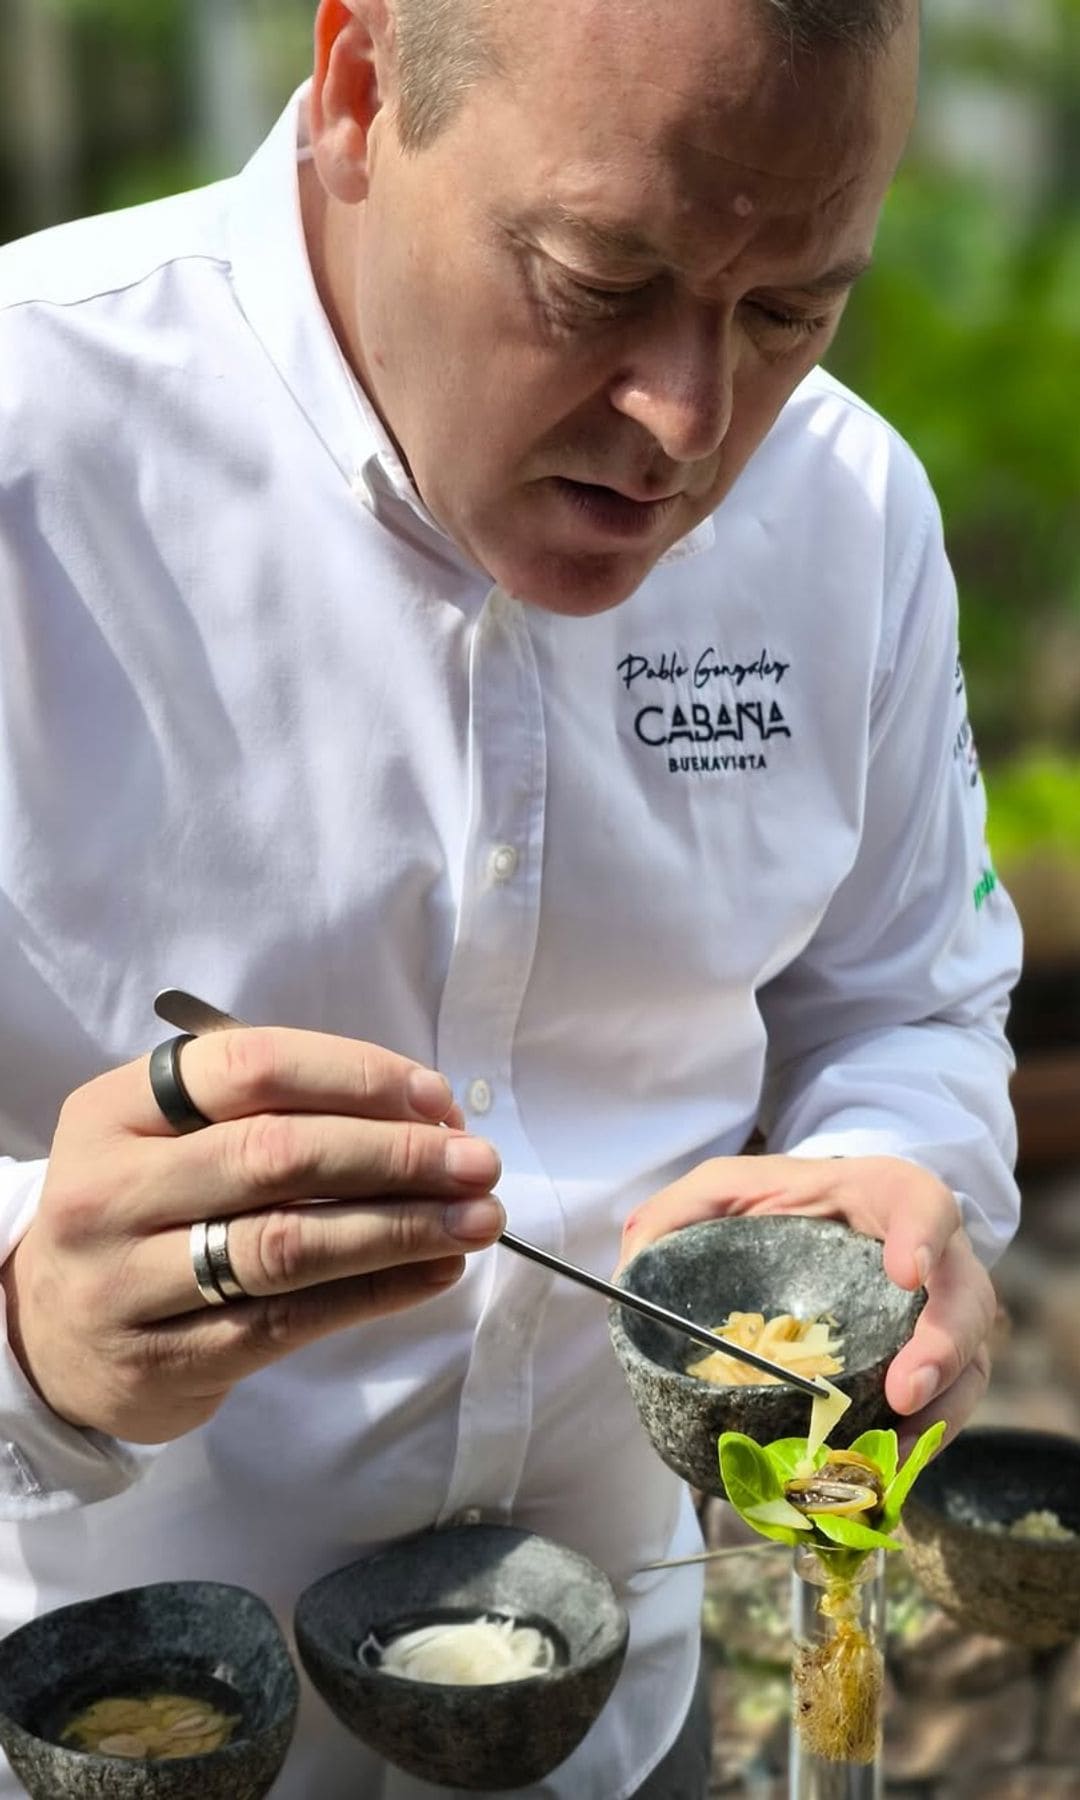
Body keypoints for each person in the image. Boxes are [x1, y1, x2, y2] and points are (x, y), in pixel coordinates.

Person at [0, 0, 1020, 1794]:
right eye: (594, 276)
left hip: (624, 1723)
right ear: (359, 84)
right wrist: (29, 1322)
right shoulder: (31, 444)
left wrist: (898, 1167)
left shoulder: (849, 512)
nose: (689, 425)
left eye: (790, 309)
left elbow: (901, 996)